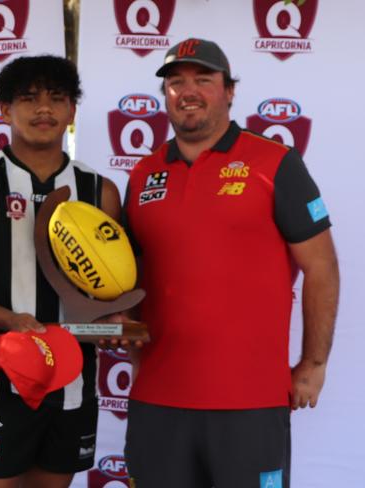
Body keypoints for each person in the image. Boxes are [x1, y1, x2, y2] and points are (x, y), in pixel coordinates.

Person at [123, 38, 339, 488]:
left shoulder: (275, 162)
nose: (189, 91)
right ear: (164, 95)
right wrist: (118, 327)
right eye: (176, 82)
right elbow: (129, 276)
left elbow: (321, 267)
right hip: (158, 400)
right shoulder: (143, 173)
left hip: (250, 402)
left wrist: (313, 364)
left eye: (204, 79)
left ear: (229, 90)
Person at [0, 55, 122, 488]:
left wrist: (113, 319)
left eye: (57, 98)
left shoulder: (99, 191)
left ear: (73, 110)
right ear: (4, 110)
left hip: (74, 379)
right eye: (29, 98)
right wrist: (11, 321)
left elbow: (111, 288)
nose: (44, 109)